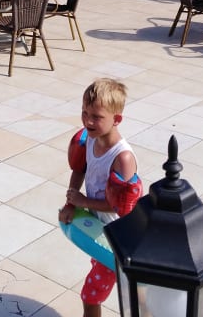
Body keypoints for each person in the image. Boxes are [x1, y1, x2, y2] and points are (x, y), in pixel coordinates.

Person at [59, 79, 142, 317]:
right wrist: (71, 203)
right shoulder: (89, 139)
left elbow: (121, 207)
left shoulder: (122, 159)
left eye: (96, 117)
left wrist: (83, 202)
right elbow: (79, 169)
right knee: (112, 286)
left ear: (117, 119)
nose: (88, 121)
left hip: (118, 238)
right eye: (85, 113)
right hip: (99, 226)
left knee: (91, 295)